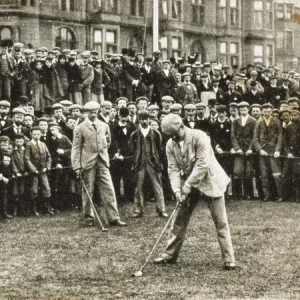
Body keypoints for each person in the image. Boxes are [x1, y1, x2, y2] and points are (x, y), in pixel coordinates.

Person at [154, 114, 236, 270]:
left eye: (174, 133)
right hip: (189, 185)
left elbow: (202, 164)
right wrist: (177, 189)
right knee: (178, 219)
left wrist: (188, 184)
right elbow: (172, 168)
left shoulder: (200, 137)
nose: (173, 138)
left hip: (211, 182)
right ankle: (169, 255)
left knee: (221, 222)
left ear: (182, 126)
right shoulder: (170, 144)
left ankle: (229, 258)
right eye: (169, 135)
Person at [71, 101, 126, 227]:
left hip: (102, 161)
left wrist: (102, 149)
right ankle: (88, 218)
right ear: (86, 113)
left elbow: (108, 141)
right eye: (90, 113)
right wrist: (77, 166)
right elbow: (76, 148)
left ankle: (114, 217)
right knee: (88, 191)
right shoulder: (80, 128)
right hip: (87, 163)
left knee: (109, 189)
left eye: (95, 112)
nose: (93, 115)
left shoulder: (104, 125)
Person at [130, 110, 168, 218]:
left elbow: (160, 149)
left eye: (146, 119)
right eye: (142, 119)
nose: (144, 121)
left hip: (153, 163)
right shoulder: (134, 134)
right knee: (139, 187)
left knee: (157, 186)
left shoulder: (156, 133)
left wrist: (157, 161)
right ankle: (138, 209)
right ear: (139, 120)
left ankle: (161, 209)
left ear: (149, 120)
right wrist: (135, 160)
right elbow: (132, 149)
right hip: (139, 163)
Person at [24, 126, 53, 216]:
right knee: (34, 190)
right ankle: (34, 209)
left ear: (41, 134)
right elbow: (27, 159)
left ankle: (46, 208)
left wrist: (47, 167)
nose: (36, 136)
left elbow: (48, 157)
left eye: (38, 134)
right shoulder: (29, 145)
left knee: (46, 188)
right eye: (34, 134)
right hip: (34, 172)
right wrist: (34, 170)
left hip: (43, 171)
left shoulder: (43, 144)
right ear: (31, 134)